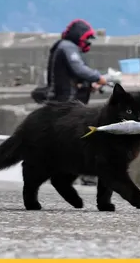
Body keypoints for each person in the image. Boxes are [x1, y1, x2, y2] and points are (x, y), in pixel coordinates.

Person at [45, 19, 107, 186]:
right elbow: (78, 69)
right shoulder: (67, 47)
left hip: (64, 100)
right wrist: (99, 77)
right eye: (86, 39)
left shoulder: (64, 46)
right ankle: (86, 175)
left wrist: (89, 85)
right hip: (64, 102)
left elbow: (72, 76)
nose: (87, 43)